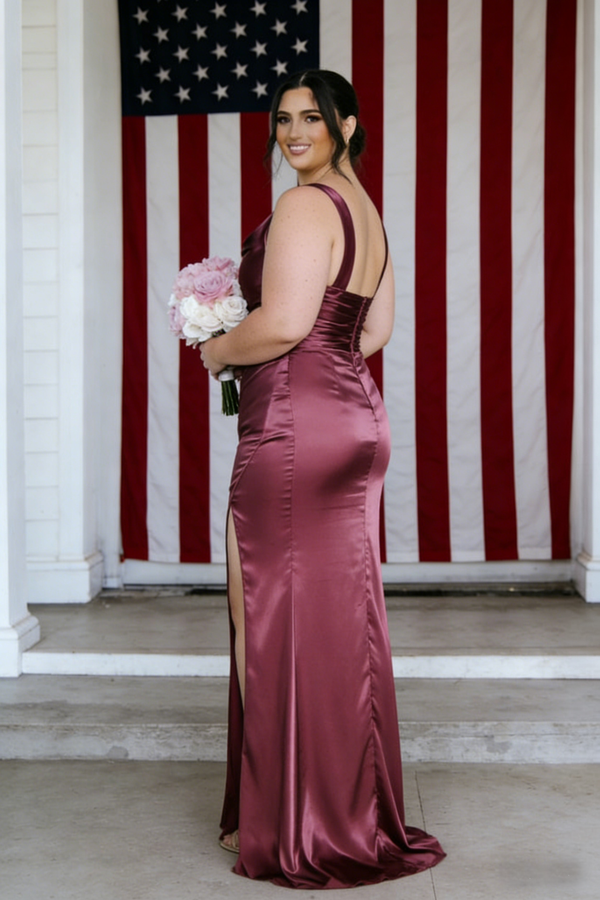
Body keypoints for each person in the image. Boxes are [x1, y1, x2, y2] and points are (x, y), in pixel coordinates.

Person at [200, 69, 445, 889]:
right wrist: (316, 365)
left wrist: (218, 349)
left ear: (347, 124)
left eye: (313, 117)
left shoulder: (307, 204)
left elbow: (284, 322)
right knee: (341, 621)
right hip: (354, 419)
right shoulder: (365, 210)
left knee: (263, 615)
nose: (295, 132)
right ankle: (344, 808)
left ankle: (290, 818)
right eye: (283, 119)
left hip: (295, 429)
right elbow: (372, 330)